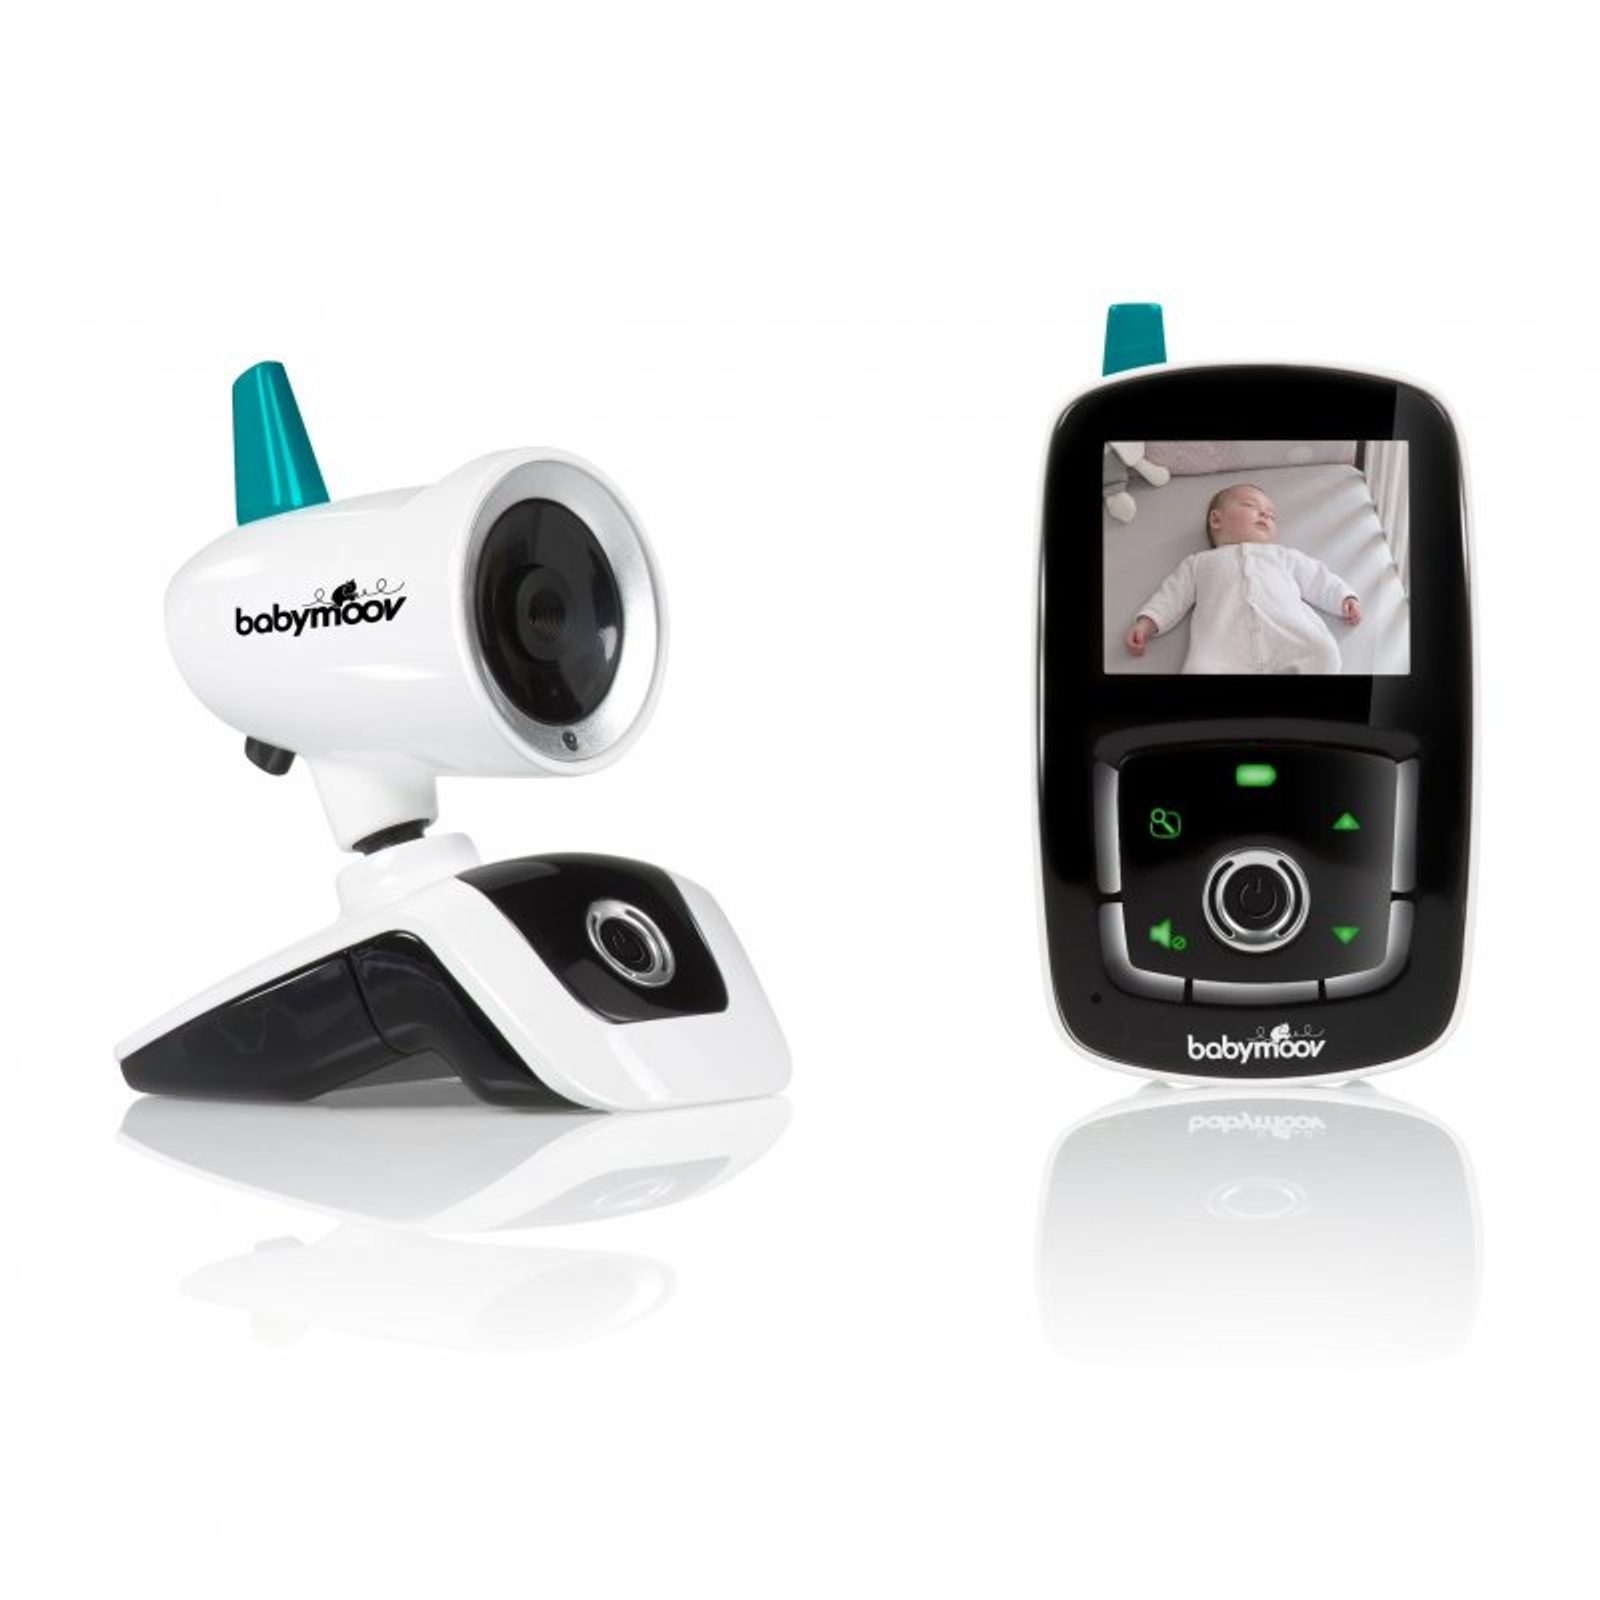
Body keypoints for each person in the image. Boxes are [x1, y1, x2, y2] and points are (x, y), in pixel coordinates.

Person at [1126, 483, 1360, 674]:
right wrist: (1149, 622)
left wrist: (1343, 597)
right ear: (1216, 520)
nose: (1266, 514)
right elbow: (1173, 594)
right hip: (1223, 648)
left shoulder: (1284, 556)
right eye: (1251, 505)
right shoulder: (1200, 563)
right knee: (1200, 668)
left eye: (1272, 515)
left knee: (1322, 652)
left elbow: (1317, 577)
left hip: (1289, 636)